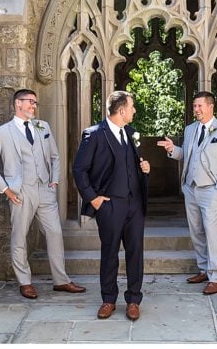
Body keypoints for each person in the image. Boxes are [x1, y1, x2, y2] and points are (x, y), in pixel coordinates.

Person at [0, 89, 85, 299]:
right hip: (20, 192)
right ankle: (25, 282)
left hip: (45, 190)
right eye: (30, 102)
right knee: (19, 237)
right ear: (17, 104)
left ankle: (61, 280)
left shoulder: (43, 127)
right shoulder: (2, 132)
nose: (34, 106)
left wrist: (54, 181)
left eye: (35, 103)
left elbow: (55, 157)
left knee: (55, 234)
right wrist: (6, 189)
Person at [72, 91, 150, 321]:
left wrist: (143, 168)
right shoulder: (94, 134)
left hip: (134, 204)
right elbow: (79, 170)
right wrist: (94, 199)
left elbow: (130, 164)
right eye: (132, 106)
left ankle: (134, 299)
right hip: (110, 205)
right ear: (122, 110)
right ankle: (108, 299)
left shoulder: (131, 132)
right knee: (110, 253)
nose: (134, 110)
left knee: (136, 253)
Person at [159, 91, 217, 296]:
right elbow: (187, 154)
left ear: (211, 106)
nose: (196, 110)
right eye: (194, 106)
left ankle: (216, 276)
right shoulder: (190, 129)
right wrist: (172, 149)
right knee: (196, 232)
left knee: (211, 232)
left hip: (211, 189)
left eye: (200, 106)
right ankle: (203, 269)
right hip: (190, 188)